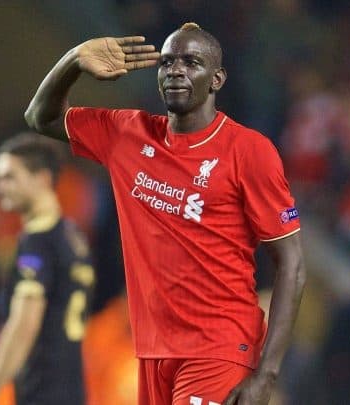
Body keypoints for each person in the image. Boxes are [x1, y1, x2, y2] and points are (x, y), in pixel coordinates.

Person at [25, 22, 306, 405]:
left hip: (217, 348)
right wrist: (73, 61)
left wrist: (267, 374)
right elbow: (41, 118)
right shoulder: (126, 134)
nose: (176, 70)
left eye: (191, 63)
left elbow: (292, 263)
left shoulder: (248, 151)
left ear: (217, 79)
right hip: (153, 351)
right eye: (167, 62)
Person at [0, 134, 95, 404]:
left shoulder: (38, 242)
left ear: (42, 178)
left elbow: (24, 323)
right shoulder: (72, 237)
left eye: (9, 177)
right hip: (72, 391)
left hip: (43, 392)